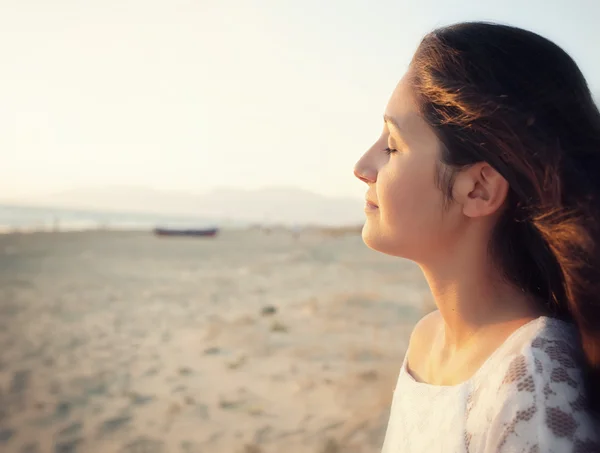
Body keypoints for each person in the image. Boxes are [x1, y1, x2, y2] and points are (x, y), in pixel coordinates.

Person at [354, 22, 600, 453]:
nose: (362, 165)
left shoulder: (532, 378)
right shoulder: (427, 340)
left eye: (392, 146)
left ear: (479, 189)